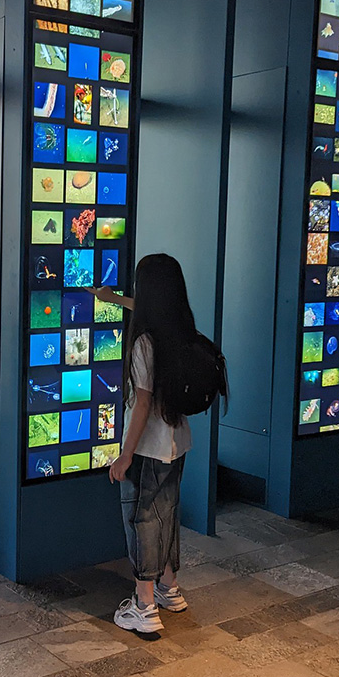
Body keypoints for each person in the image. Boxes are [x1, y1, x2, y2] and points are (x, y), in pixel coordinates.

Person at [89, 253, 194, 636]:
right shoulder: (181, 327)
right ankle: (170, 588)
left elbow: (143, 401)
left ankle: (144, 605)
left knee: (143, 520)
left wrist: (125, 454)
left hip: (149, 447)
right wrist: (113, 299)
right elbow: (145, 309)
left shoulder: (145, 342)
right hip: (178, 441)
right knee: (168, 513)